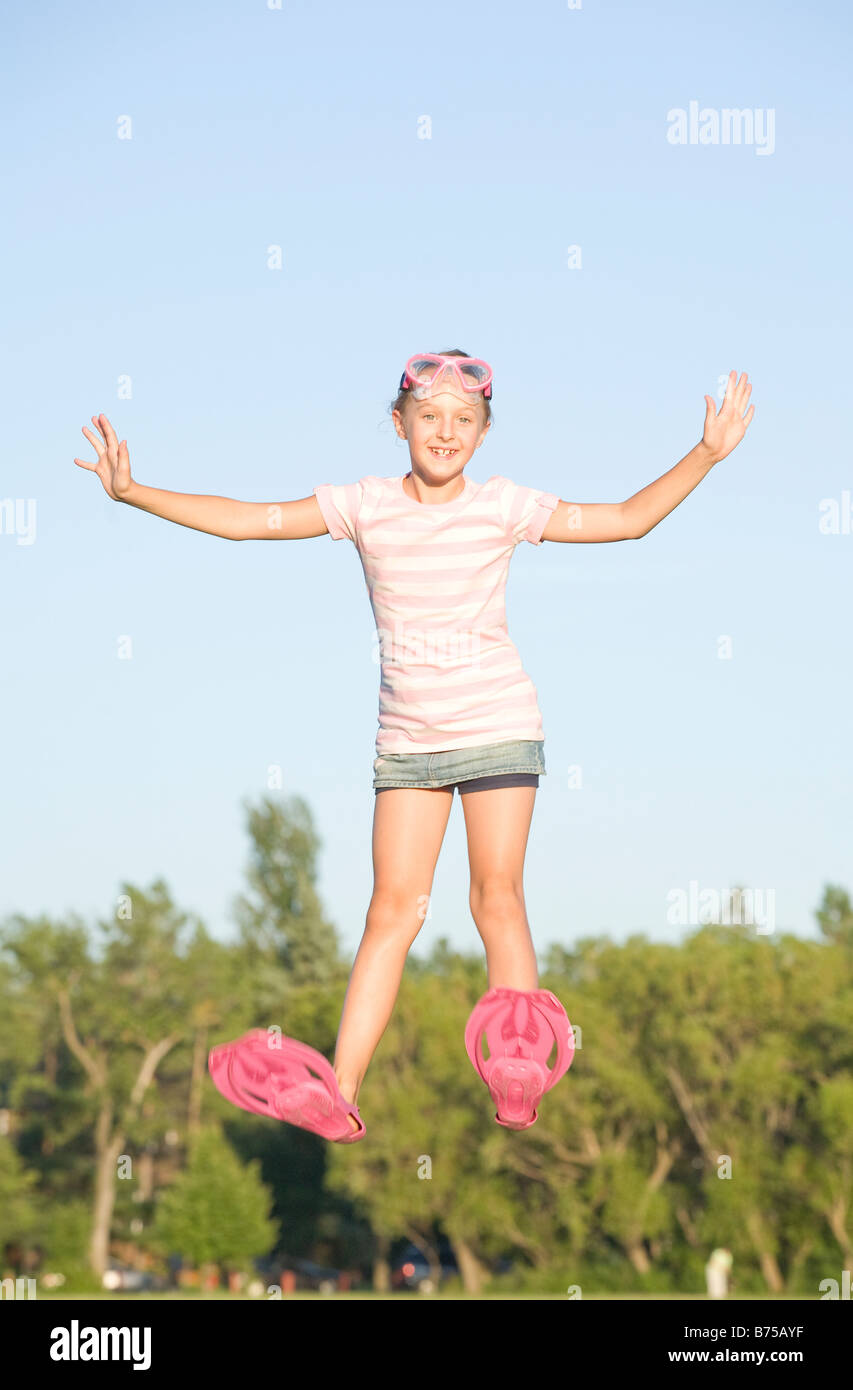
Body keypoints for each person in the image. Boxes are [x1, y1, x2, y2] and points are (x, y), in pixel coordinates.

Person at [75, 351, 754, 1141]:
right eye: (428, 416)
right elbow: (245, 521)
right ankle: (340, 1088)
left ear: (484, 432)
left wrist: (705, 453)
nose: (446, 431)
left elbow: (625, 521)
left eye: (464, 420)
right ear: (397, 424)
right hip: (407, 745)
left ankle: (519, 1064)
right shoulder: (362, 504)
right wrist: (132, 493)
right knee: (390, 912)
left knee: (494, 896)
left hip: (497, 721)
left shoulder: (505, 506)